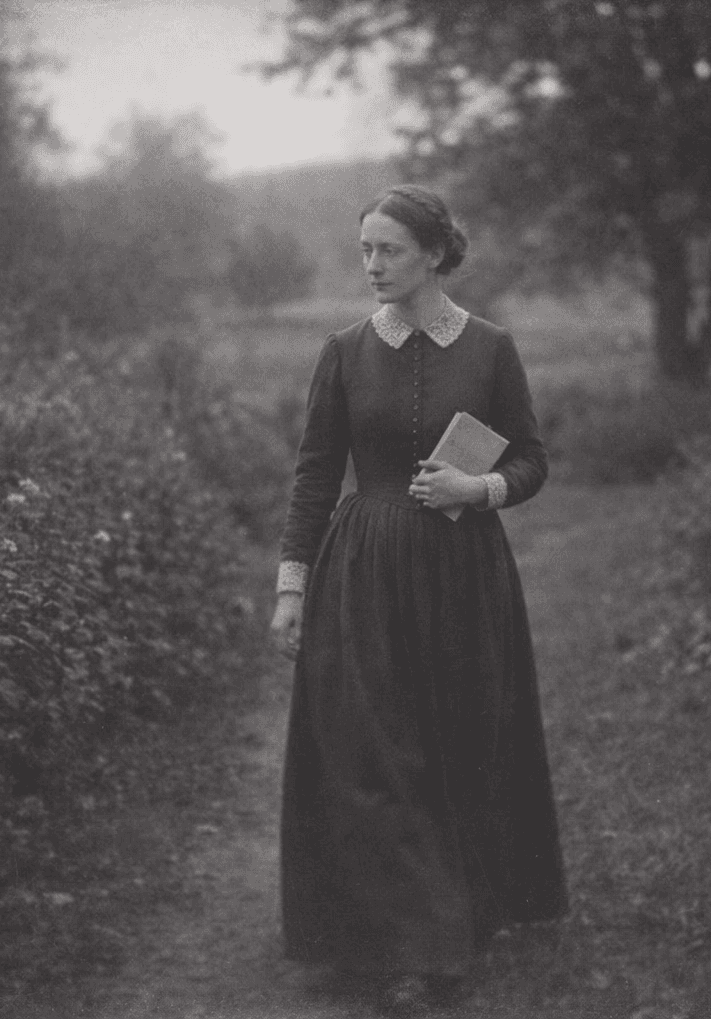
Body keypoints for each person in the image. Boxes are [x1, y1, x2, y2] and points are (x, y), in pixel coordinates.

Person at [270, 185, 568, 1014]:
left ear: (433, 254)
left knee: (451, 744)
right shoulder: (342, 350)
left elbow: (533, 461)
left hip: (460, 575)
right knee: (375, 754)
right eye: (363, 249)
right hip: (361, 572)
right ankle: (408, 949)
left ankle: (462, 912)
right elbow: (313, 477)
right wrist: (291, 590)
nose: (370, 265)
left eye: (387, 249)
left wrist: (481, 486)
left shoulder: (490, 349)